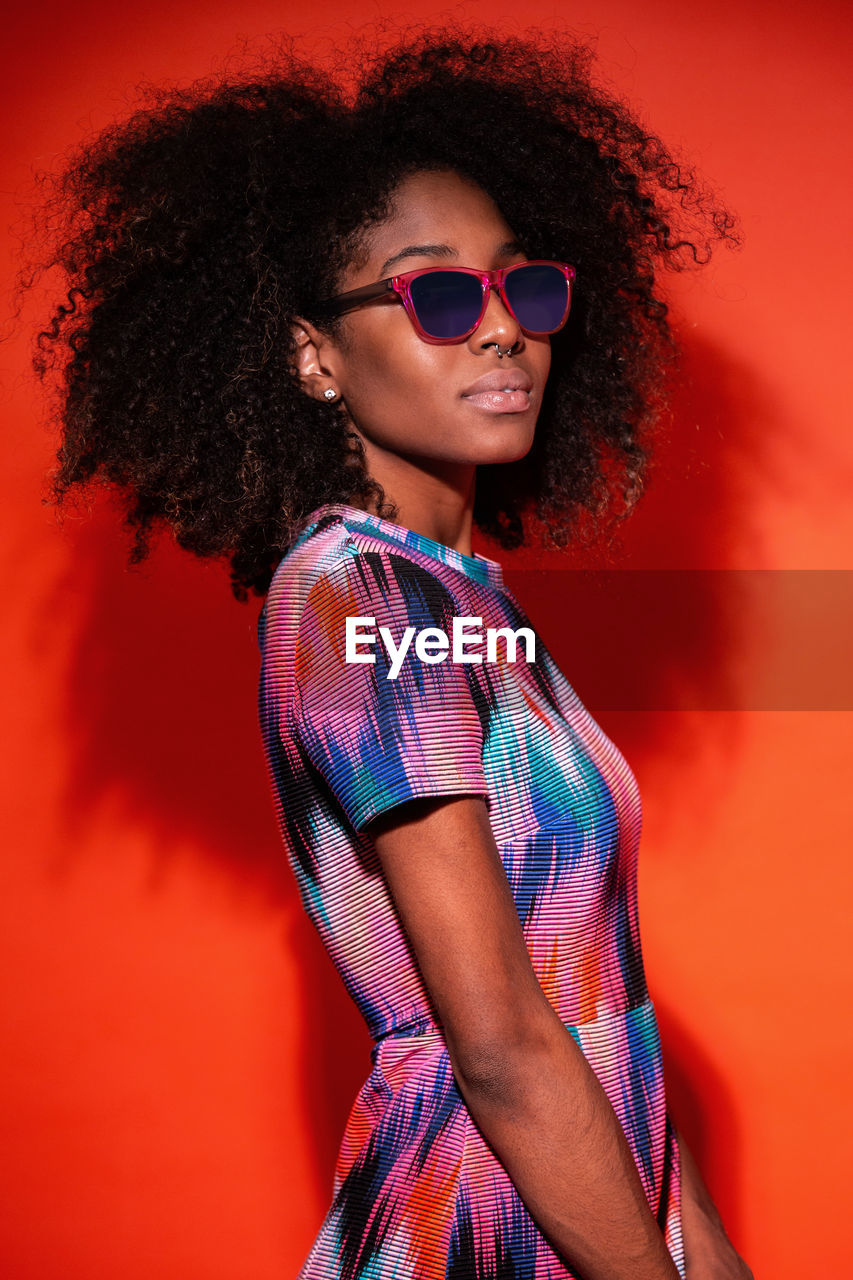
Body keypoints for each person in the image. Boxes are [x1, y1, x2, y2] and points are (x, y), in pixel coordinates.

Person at [28, 23, 754, 1280]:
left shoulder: (458, 598)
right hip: (477, 1224)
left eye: (521, 287)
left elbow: (591, 1016)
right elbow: (501, 1045)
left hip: (579, 1198)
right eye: (435, 292)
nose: (500, 330)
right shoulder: (360, 595)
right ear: (314, 355)